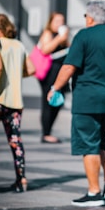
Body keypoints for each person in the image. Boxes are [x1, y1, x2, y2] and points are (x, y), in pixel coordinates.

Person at [47, 1, 105, 207]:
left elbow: (69, 67)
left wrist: (55, 88)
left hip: (88, 100)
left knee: (89, 144)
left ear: (90, 17)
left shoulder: (83, 36)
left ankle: (94, 192)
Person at [0, 14, 35, 192]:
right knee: (15, 140)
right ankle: (22, 179)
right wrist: (13, 75)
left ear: (0, 28)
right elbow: (31, 69)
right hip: (15, 102)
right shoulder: (19, 45)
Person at [38, 12, 70, 144]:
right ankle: (46, 133)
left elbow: (69, 49)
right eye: (56, 21)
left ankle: (48, 131)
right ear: (50, 22)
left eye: (61, 21)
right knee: (48, 102)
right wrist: (59, 39)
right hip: (49, 72)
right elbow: (45, 50)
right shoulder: (48, 33)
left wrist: (65, 38)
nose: (59, 24)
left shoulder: (63, 35)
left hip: (60, 71)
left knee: (59, 101)